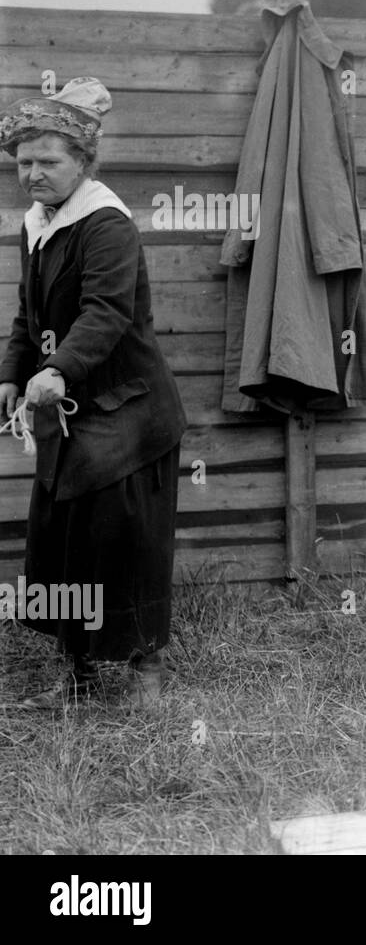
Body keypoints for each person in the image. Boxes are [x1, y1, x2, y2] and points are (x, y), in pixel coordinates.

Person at [0, 78, 186, 710]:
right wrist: (12, 372)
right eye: (24, 163)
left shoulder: (106, 225)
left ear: (82, 162)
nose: (32, 175)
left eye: (47, 162)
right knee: (61, 542)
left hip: (128, 412)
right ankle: (77, 674)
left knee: (129, 543)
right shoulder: (37, 224)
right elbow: (29, 316)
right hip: (68, 413)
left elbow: (105, 314)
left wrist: (59, 371)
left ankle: (146, 674)